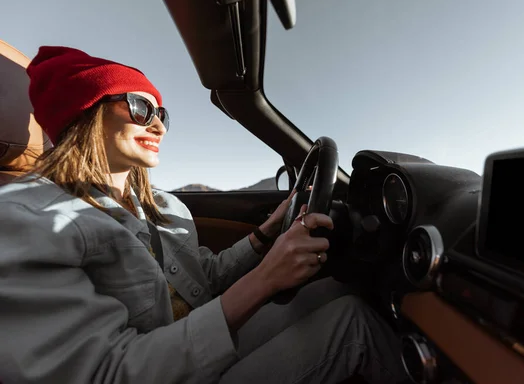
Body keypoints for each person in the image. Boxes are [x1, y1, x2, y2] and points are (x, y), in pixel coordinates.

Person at [0, 46, 406, 383]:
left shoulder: (162, 206)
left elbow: (201, 281)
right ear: (83, 112)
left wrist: (265, 235)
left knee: (337, 289)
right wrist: (266, 279)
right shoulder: (29, 219)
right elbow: (108, 373)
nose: (158, 125)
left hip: (198, 345)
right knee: (354, 326)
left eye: (162, 114)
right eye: (141, 107)